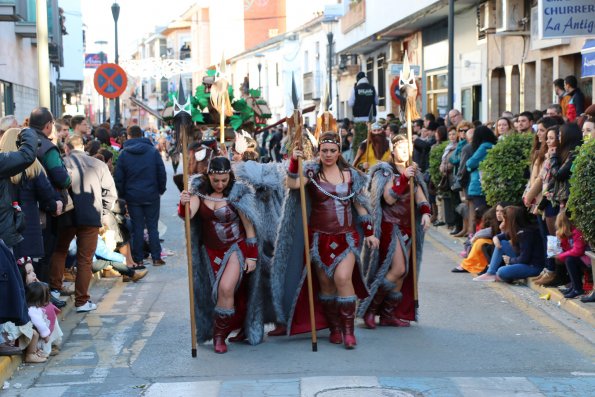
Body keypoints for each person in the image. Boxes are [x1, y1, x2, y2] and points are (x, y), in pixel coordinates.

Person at [272, 132, 378, 350]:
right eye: (324, 151)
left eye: (332, 150)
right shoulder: (311, 172)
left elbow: (359, 205)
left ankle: (349, 331)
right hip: (319, 239)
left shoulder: (351, 175)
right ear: (319, 152)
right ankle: (334, 328)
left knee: (342, 278)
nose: (328, 155)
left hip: (346, 237)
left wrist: (369, 233)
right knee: (327, 286)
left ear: (339, 152)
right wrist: (294, 160)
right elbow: (291, 184)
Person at [179, 157, 263, 354]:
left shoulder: (238, 193)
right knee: (218, 293)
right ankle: (227, 328)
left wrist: (252, 256)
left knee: (226, 288)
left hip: (236, 247)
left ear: (229, 177)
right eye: (216, 180)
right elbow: (188, 215)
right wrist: (183, 202)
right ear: (209, 176)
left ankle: (219, 336)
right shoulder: (198, 191)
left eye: (224, 180)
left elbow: (249, 226)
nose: (220, 184)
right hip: (210, 251)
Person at [359, 134, 431, 329]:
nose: (405, 151)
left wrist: (425, 213)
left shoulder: (414, 172)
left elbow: (421, 198)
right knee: (398, 268)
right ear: (393, 151)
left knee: (403, 271)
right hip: (390, 226)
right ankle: (371, 309)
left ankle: (388, 314)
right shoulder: (385, 171)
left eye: (408, 147)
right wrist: (403, 178)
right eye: (401, 147)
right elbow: (388, 198)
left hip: (409, 227)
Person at [49, 135, 118, 313]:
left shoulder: (61, 162)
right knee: (85, 259)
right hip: (90, 216)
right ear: (84, 147)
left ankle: (55, 290)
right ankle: (82, 301)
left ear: (66, 148)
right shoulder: (99, 164)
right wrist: (101, 212)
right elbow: (110, 193)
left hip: (66, 214)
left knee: (60, 250)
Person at [0, 128, 63, 260]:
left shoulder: (4, 164)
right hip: (30, 227)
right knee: (30, 272)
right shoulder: (33, 167)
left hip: (7, 231)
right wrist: (55, 204)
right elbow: (46, 193)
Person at [28, 107, 71, 286]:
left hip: (24, 208)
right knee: (45, 254)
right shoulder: (47, 147)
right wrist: (68, 180)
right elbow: (62, 178)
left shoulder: (18, 141)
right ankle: (45, 297)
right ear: (48, 126)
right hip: (47, 209)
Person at [114, 125, 167, 266]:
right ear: (142, 135)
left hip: (132, 196)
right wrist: (160, 190)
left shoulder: (124, 154)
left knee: (137, 228)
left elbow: (119, 178)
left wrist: (123, 195)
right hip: (152, 195)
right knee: (152, 227)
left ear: (128, 136)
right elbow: (161, 172)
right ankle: (156, 257)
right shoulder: (152, 151)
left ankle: (138, 259)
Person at [474, 206, 544, 282]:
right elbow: (502, 236)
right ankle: (490, 273)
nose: (503, 222)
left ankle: (503, 275)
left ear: (510, 221)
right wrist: (496, 238)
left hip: (533, 266)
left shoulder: (526, 233)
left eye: (504, 220)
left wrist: (510, 260)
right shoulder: (517, 229)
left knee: (502, 271)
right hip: (523, 261)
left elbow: (524, 259)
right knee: (502, 243)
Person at [554, 210, 589, 299]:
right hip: (582, 259)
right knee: (568, 259)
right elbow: (568, 249)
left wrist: (561, 255)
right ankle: (574, 287)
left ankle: (578, 289)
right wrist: (561, 239)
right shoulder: (570, 232)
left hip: (587, 260)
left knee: (569, 259)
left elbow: (578, 251)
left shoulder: (577, 231)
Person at [465, 126, 497, 218]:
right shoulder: (493, 145)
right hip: (488, 184)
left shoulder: (484, 146)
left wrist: (470, 168)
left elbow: (470, 163)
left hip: (479, 185)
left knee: (481, 214)